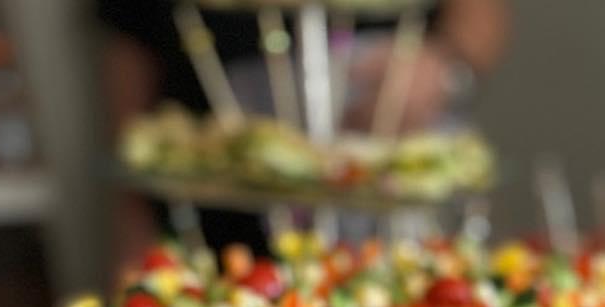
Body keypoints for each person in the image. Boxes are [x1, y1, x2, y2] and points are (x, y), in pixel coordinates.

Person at [96, 0, 510, 255]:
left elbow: (479, 14)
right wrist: (134, 224)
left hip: (391, 200)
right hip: (216, 213)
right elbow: (130, 47)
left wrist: (444, 69)